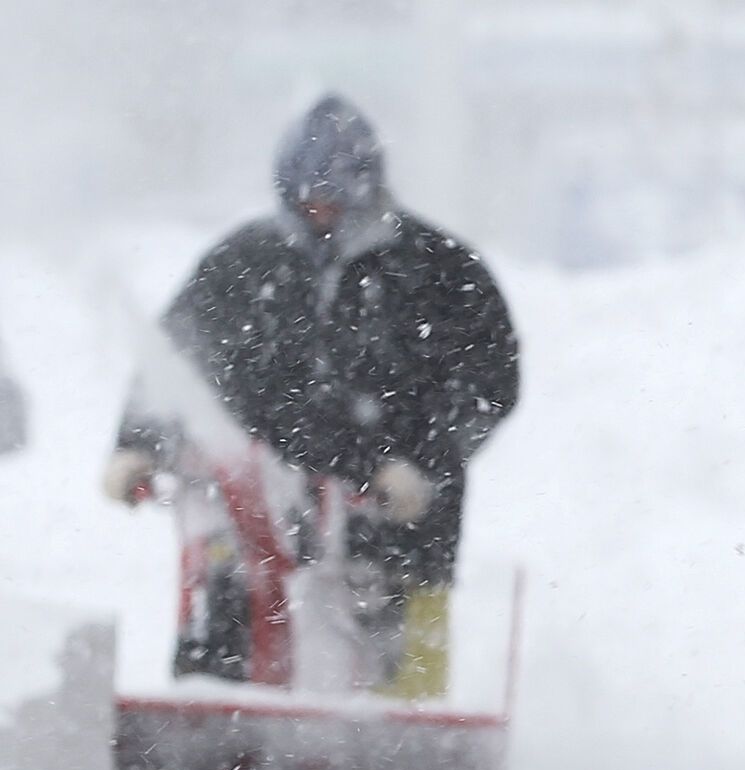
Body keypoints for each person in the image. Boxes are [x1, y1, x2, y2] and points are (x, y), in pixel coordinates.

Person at [105, 94, 519, 699]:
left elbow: (489, 385)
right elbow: (175, 362)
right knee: (225, 671)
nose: (319, 217)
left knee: (398, 703)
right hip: (257, 522)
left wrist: (423, 466)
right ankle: (219, 762)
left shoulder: (440, 272)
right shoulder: (243, 263)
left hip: (400, 537)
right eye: (306, 204)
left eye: (333, 203)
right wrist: (139, 443)